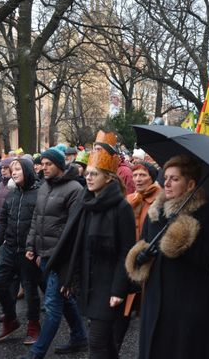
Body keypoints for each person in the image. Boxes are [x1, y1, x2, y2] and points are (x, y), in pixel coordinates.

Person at [126, 154, 209, 359]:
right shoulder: (156, 212)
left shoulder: (208, 214)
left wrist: (180, 236)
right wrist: (141, 257)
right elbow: (144, 241)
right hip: (156, 296)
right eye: (165, 177)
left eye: (175, 179)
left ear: (190, 185)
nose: (167, 183)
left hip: (188, 300)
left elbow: (208, 258)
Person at [46, 147, 136, 359]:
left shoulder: (121, 208)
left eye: (94, 173)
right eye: (87, 173)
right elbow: (76, 244)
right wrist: (69, 279)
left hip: (109, 285)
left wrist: (119, 289)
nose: (88, 177)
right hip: (88, 283)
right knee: (104, 342)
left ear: (108, 177)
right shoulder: (86, 203)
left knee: (95, 342)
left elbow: (127, 252)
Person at [22, 147, 87, 359]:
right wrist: (31, 246)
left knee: (52, 306)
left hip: (60, 259)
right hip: (43, 254)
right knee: (63, 300)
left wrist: (60, 258)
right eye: (42, 163)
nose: (44, 167)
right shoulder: (43, 187)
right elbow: (36, 219)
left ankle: (36, 353)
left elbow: (72, 230)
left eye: (49, 164)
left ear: (59, 165)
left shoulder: (74, 189)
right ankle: (79, 337)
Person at [0, 158, 41, 344]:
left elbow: (40, 225)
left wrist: (35, 249)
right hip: (9, 248)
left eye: (18, 169)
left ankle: (34, 326)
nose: (14, 172)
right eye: (12, 169)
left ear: (27, 170)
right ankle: (10, 319)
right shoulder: (11, 194)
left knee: (29, 289)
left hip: (27, 252)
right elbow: (2, 222)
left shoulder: (38, 194)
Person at [115, 161, 160, 350]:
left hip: (150, 264)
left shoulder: (161, 200)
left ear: (152, 177)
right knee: (121, 317)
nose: (138, 179)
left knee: (149, 317)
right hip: (129, 262)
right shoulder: (130, 198)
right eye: (135, 175)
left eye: (143, 175)